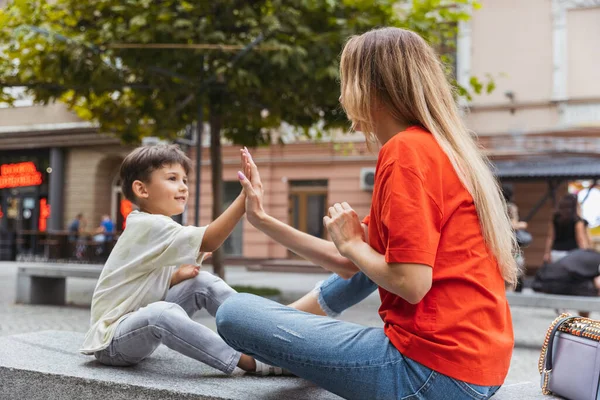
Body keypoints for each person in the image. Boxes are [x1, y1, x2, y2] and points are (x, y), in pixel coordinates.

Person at [216, 28, 518, 400]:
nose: (342, 96)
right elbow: (348, 265)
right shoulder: (438, 149)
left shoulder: (406, 152)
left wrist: (352, 246)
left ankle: (280, 352)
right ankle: (285, 350)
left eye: (346, 81)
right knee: (361, 269)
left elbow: (410, 282)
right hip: (476, 369)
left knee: (235, 313)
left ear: (370, 88)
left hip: (428, 374)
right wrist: (261, 219)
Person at [79, 144, 284, 376]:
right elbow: (209, 240)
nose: (183, 187)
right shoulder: (149, 224)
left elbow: (136, 284)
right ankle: (251, 362)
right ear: (142, 189)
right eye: (172, 178)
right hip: (112, 342)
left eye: (185, 180)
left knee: (203, 283)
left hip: (138, 327)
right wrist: (244, 197)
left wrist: (175, 277)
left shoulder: (155, 224)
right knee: (161, 313)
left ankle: (266, 336)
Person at [543, 193, 589, 264]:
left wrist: (547, 253)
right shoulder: (577, 221)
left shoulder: (556, 218)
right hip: (572, 254)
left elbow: (550, 237)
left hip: (556, 253)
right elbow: (581, 239)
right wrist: (587, 254)